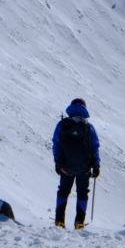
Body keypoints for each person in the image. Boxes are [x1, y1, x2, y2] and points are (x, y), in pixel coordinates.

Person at [52, 98, 100, 229]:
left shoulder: (62, 124)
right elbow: (95, 147)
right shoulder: (88, 127)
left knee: (63, 191)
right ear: (84, 108)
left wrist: (58, 163)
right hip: (84, 168)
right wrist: (96, 165)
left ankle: (59, 221)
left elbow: (56, 144)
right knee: (82, 193)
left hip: (66, 167)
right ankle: (79, 223)